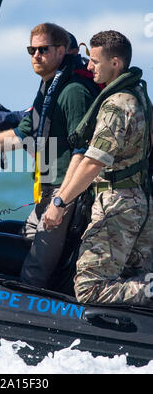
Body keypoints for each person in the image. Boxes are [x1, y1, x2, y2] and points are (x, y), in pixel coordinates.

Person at [0, 22, 98, 289]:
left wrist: (61, 200)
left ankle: (29, 308)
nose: (36, 55)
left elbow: (83, 151)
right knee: (25, 237)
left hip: (63, 188)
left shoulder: (73, 92)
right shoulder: (49, 87)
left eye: (42, 49)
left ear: (61, 51)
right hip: (48, 185)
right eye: (31, 50)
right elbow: (23, 133)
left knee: (37, 266)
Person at [44, 30, 153, 306]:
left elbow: (93, 161)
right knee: (131, 274)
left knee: (89, 289)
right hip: (138, 202)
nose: (88, 66)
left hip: (117, 204)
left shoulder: (116, 104)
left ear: (115, 63)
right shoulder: (138, 95)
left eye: (94, 61)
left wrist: (59, 202)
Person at [0, 33, 94, 132]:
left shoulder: (75, 86)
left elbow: (33, 119)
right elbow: (30, 117)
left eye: (44, 50)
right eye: (32, 50)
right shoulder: (56, 82)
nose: (37, 55)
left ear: (67, 52)